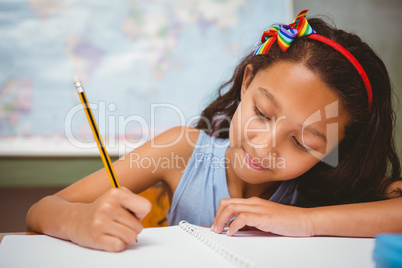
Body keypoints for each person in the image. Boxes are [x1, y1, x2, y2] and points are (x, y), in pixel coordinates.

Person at [26, 10, 402, 252]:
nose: (263, 146)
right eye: (262, 112)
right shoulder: (182, 149)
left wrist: (302, 221)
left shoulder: (333, 185)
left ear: (340, 145)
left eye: (303, 142)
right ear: (247, 83)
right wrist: (79, 220)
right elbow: (41, 211)